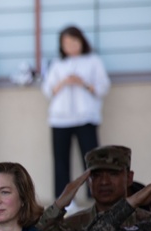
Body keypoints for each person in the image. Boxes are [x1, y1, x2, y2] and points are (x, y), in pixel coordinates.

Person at [42, 26, 110, 198]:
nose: (70, 45)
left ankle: (96, 196)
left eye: (74, 41)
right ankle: (64, 200)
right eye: (66, 43)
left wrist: (83, 83)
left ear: (81, 41)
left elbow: (103, 87)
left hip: (86, 117)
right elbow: (47, 90)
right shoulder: (58, 64)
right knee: (61, 161)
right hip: (60, 119)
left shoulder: (93, 61)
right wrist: (64, 82)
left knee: (91, 160)